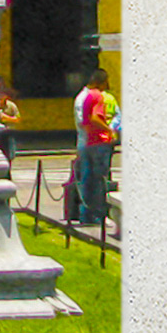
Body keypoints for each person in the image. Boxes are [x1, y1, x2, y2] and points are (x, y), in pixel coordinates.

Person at [72, 71, 116, 228]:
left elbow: (83, 120)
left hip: (88, 141)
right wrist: (108, 130)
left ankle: (86, 214)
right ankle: (98, 215)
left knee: (88, 179)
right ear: (101, 82)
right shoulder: (97, 96)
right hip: (98, 141)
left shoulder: (85, 97)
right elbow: (94, 117)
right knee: (99, 180)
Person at [0, 84, 21, 168]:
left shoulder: (11, 106)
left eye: (3, 95)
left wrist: (6, 118)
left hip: (9, 132)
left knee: (10, 154)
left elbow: (17, 119)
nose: (1, 96)